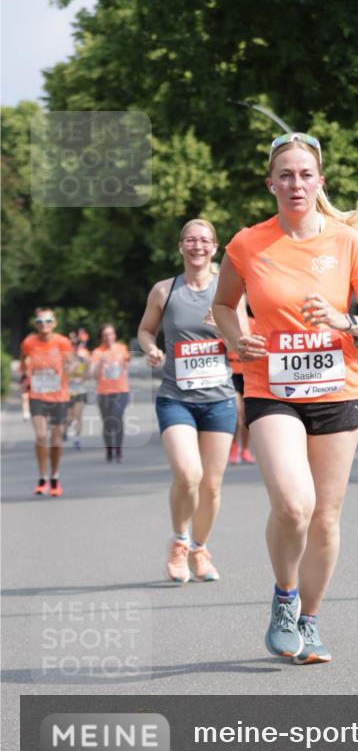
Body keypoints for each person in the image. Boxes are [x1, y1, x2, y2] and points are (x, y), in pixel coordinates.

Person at [213, 132, 358, 664]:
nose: (296, 183)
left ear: (320, 182)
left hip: (337, 388)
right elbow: (225, 305)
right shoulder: (247, 243)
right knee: (294, 505)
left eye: (305, 174)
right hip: (272, 389)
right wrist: (233, 336)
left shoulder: (347, 242)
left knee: (326, 517)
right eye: (285, 175)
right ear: (271, 183)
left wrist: (344, 320)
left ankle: (310, 623)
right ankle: (284, 600)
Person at [138, 219, 243, 584]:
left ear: (215, 247)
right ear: (181, 246)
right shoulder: (164, 290)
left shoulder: (229, 292)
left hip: (219, 400)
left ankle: (200, 548)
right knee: (188, 474)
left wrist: (223, 329)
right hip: (175, 398)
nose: (197, 246)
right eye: (190, 240)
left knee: (211, 485)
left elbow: (242, 347)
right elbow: (145, 330)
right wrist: (150, 348)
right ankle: (180, 542)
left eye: (204, 240)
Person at [20, 307, 74, 496]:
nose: (45, 324)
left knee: (56, 440)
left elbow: (72, 366)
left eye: (48, 321)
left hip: (59, 397)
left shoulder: (63, 342)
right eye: (41, 321)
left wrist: (70, 365)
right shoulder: (29, 343)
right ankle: (42, 477)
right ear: (36, 324)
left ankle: (55, 476)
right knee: (42, 436)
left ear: (55, 323)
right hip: (37, 396)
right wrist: (23, 383)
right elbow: (23, 364)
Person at [90, 325, 130, 463]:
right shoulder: (97, 352)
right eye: (105, 335)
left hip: (121, 390)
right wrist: (100, 365)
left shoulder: (122, 348)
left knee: (117, 419)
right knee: (107, 423)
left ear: (114, 335)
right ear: (101, 337)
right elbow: (93, 375)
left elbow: (126, 366)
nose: (108, 337)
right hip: (103, 392)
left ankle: (118, 450)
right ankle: (109, 449)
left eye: (110, 334)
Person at [227, 303, 256, 465]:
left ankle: (245, 449)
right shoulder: (223, 323)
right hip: (231, 374)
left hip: (248, 374)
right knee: (236, 415)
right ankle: (233, 447)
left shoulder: (253, 323)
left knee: (246, 416)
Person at [65, 330, 91, 449]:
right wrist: (71, 369)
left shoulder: (83, 360)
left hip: (80, 391)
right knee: (69, 417)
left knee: (78, 414)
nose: (75, 347)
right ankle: (66, 429)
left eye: (77, 344)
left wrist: (83, 375)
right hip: (67, 392)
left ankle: (77, 439)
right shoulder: (65, 360)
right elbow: (63, 376)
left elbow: (87, 376)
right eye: (73, 344)